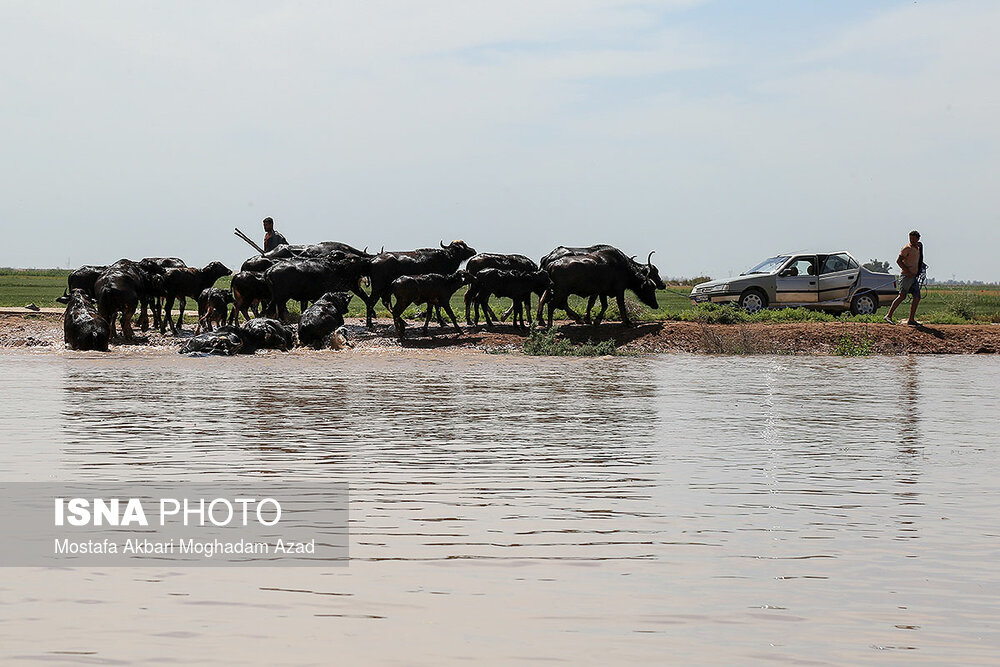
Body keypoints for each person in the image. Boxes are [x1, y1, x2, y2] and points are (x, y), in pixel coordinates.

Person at [885, 230, 923, 325]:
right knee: (902, 296)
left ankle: (911, 319)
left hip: (913, 277)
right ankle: (888, 316)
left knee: (917, 297)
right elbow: (899, 261)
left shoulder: (918, 248)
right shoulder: (907, 248)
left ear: (918, 239)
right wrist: (907, 271)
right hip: (906, 276)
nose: (912, 240)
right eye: (911, 238)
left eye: (914, 239)